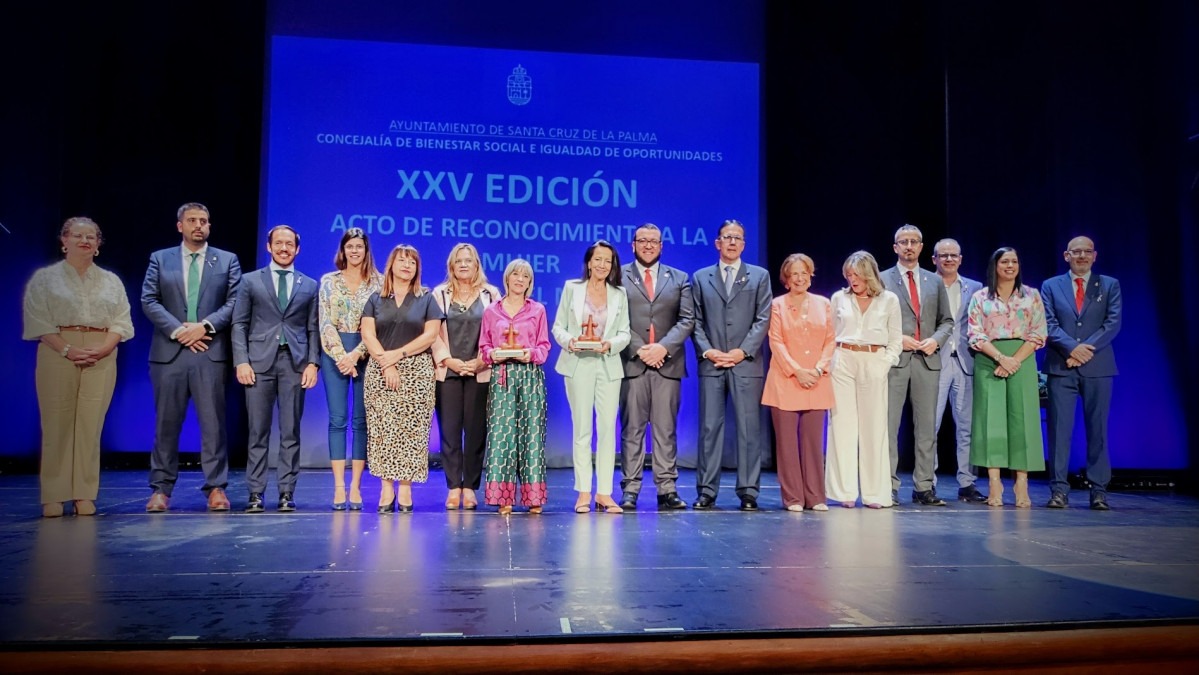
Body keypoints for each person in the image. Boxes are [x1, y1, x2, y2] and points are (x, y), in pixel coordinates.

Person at [22, 217, 134, 517]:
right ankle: (55, 495)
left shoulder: (111, 280)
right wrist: (68, 349)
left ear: (98, 245)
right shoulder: (45, 279)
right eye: (77, 235)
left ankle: (84, 493)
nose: (85, 240)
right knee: (57, 424)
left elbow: (122, 321)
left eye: (92, 237)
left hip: (102, 351)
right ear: (64, 241)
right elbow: (38, 320)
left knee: (90, 425)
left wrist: (103, 348)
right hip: (57, 349)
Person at [140, 203, 241, 513]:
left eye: (205, 221)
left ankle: (216, 488)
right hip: (169, 355)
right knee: (166, 425)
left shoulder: (226, 260)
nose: (199, 225)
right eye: (193, 220)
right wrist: (178, 331)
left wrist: (204, 327)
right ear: (179, 225)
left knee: (213, 425)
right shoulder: (161, 259)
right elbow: (149, 299)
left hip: (209, 352)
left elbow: (235, 301)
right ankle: (160, 489)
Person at [232, 225, 320, 513]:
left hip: (294, 363)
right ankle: (256, 493)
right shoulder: (250, 281)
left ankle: (286, 492)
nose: (284, 248)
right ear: (269, 247)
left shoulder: (309, 285)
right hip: (258, 363)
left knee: (290, 431)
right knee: (257, 431)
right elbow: (240, 323)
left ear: (297, 249)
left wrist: (312, 363)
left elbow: (312, 328)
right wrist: (241, 360)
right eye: (279, 243)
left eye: (290, 244)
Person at [691, 219, 772, 510]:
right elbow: (695, 321)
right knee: (710, 428)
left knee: (749, 429)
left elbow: (763, 318)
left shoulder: (759, 276)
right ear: (717, 243)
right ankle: (706, 492)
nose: (733, 242)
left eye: (738, 238)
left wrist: (742, 351)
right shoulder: (701, 277)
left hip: (746, 364)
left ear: (744, 244)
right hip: (712, 363)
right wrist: (709, 351)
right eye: (727, 237)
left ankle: (749, 491)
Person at [360, 244, 443, 513]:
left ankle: (405, 489)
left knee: (412, 433)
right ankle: (386, 489)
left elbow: (430, 336)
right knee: (383, 432)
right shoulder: (375, 298)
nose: (407, 265)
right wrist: (386, 363)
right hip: (382, 369)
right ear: (391, 265)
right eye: (402, 261)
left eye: (412, 262)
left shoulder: (427, 298)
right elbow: (368, 335)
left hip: (417, 371)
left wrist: (399, 354)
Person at [618, 224, 694, 511]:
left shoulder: (679, 278)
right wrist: (641, 349)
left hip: (668, 363)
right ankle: (631, 488)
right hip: (632, 362)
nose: (648, 245)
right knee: (631, 429)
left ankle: (667, 489)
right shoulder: (618, 276)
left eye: (654, 241)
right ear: (633, 244)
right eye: (643, 241)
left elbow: (687, 319)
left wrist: (663, 347)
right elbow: (616, 318)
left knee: (665, 430)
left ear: (662, 246)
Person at [1041, 236, 1121, 510]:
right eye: (1077, 252)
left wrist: (1086, 350)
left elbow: (1112, 324)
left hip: (1098, 367)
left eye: (1088, 252)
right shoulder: (1051, 286)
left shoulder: (1109, 285)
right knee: (1059, 432)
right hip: (1061, 368)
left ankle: (1098, 490)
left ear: (1095, 255)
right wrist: (1073, 349)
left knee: (1097, 431)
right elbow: (1048, 324)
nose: (1082, 256)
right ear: (1067, 256)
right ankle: (1058, 490)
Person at [553, 240, 631, 514]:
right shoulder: (571, 289)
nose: (601, 265)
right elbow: (558, 328)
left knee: (608, 429)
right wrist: (571, 341)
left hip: (607, 364)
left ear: (612, 266)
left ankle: (604, 493)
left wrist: (610, 344)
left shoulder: (619, 294)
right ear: (588, 262)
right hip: (578, 364)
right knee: (582, 429)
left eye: (607, 261)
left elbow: (625, 333)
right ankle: (584, 491)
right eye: (597, 259)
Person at [966, 247, 1047, 508]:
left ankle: (1021, 483)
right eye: (1004, 261)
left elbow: (1038, 332)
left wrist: (1014, 360)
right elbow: (975, 333)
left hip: (1022, 357)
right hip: (990, 358)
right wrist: (1001, 359)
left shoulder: (1032, 295)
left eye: (1014, 261)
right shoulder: (980, 296)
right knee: (992, 421)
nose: (1010, 265)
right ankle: (994, 482)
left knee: (1022, 420)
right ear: (995, 266)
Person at [881, 224, 954, 506]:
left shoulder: (934, 281)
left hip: (928, 360)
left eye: (914, 242)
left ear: (922, 247)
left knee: (926, 428)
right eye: (903, 242)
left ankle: (924, 486)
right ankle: (887, 485)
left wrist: (936, 340)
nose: (909, 246)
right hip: (895, 361)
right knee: (888, 426)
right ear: (895, 247)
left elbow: (947, 320)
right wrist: (898, 339)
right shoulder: (883, 279)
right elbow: (875, 321)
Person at [825, 251, 902, 509]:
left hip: (874, 360)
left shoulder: (889, 300)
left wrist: (885, 363)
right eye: (848, 274)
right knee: (841, 426)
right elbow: (829, 333)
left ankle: (875, 493)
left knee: (874, 428)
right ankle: (844, 491)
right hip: (843, 358)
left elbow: (895, 339)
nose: (852, 279)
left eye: (856, 274)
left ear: (870, 273)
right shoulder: (839, 298)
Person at [761, 253, 835, 512]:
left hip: (817, 379)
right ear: (786, 278)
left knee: (813, 443)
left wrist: (817, 368)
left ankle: (816, 497)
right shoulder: (777, 305)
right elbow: (776, 341)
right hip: (785, 381)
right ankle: (793, 497)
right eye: (794, 274)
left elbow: (830, 340)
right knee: (787, 445)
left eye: (804, 273)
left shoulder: (824, 303)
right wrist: (796, 371)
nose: (800, 278)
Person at [431, 243, 500, 510]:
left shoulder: (491, 294)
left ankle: (469, 486)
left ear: (476, 265)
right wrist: (449, 360)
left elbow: (499, 331)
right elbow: (432, 333)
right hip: (447, 371)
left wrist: (480, 362)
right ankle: (453, 486)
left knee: (475, 432)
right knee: (449, 432)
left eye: (468, 261)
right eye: (458, 261)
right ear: (451, 265)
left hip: (480, 371)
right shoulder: (439, 294)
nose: (463, 265)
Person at [479, 259, 551, 515]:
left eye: (525, 277)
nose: (520, 280)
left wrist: (529, 354)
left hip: (530, 376)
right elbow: (484, 348)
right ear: (507, 278)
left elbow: (544, 347)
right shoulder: (492, 311)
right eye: (515, 275)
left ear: (530, 283)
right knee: (502, 436)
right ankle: (503, 496)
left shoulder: (537, 310)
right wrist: (494, 355)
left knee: (532, 435)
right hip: (502, 376)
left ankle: (533, 497)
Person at [318, 227, 382, 511]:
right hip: (334, 352)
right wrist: (341, 356)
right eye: (350, 246)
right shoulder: (328, 282)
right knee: (337, 419)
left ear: (366, 250)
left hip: (367, 350)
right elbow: (324, 322)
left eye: (360, 246)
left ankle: (356, 486)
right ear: (342, 250)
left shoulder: (379, 283)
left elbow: (381, 324)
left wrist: (357, 354)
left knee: (361, 421)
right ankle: (339, 487)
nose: (355, 251)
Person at [930, 238, 987, 503]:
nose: (949, 259)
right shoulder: (926, 284)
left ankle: (967, 483)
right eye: (943, 256)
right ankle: (927, 482)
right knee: (930, 427)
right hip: (935, 362)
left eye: (954, 255)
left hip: (965, 361)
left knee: (967, 427)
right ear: (935, 260)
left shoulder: (975, 288)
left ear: (960, 259)